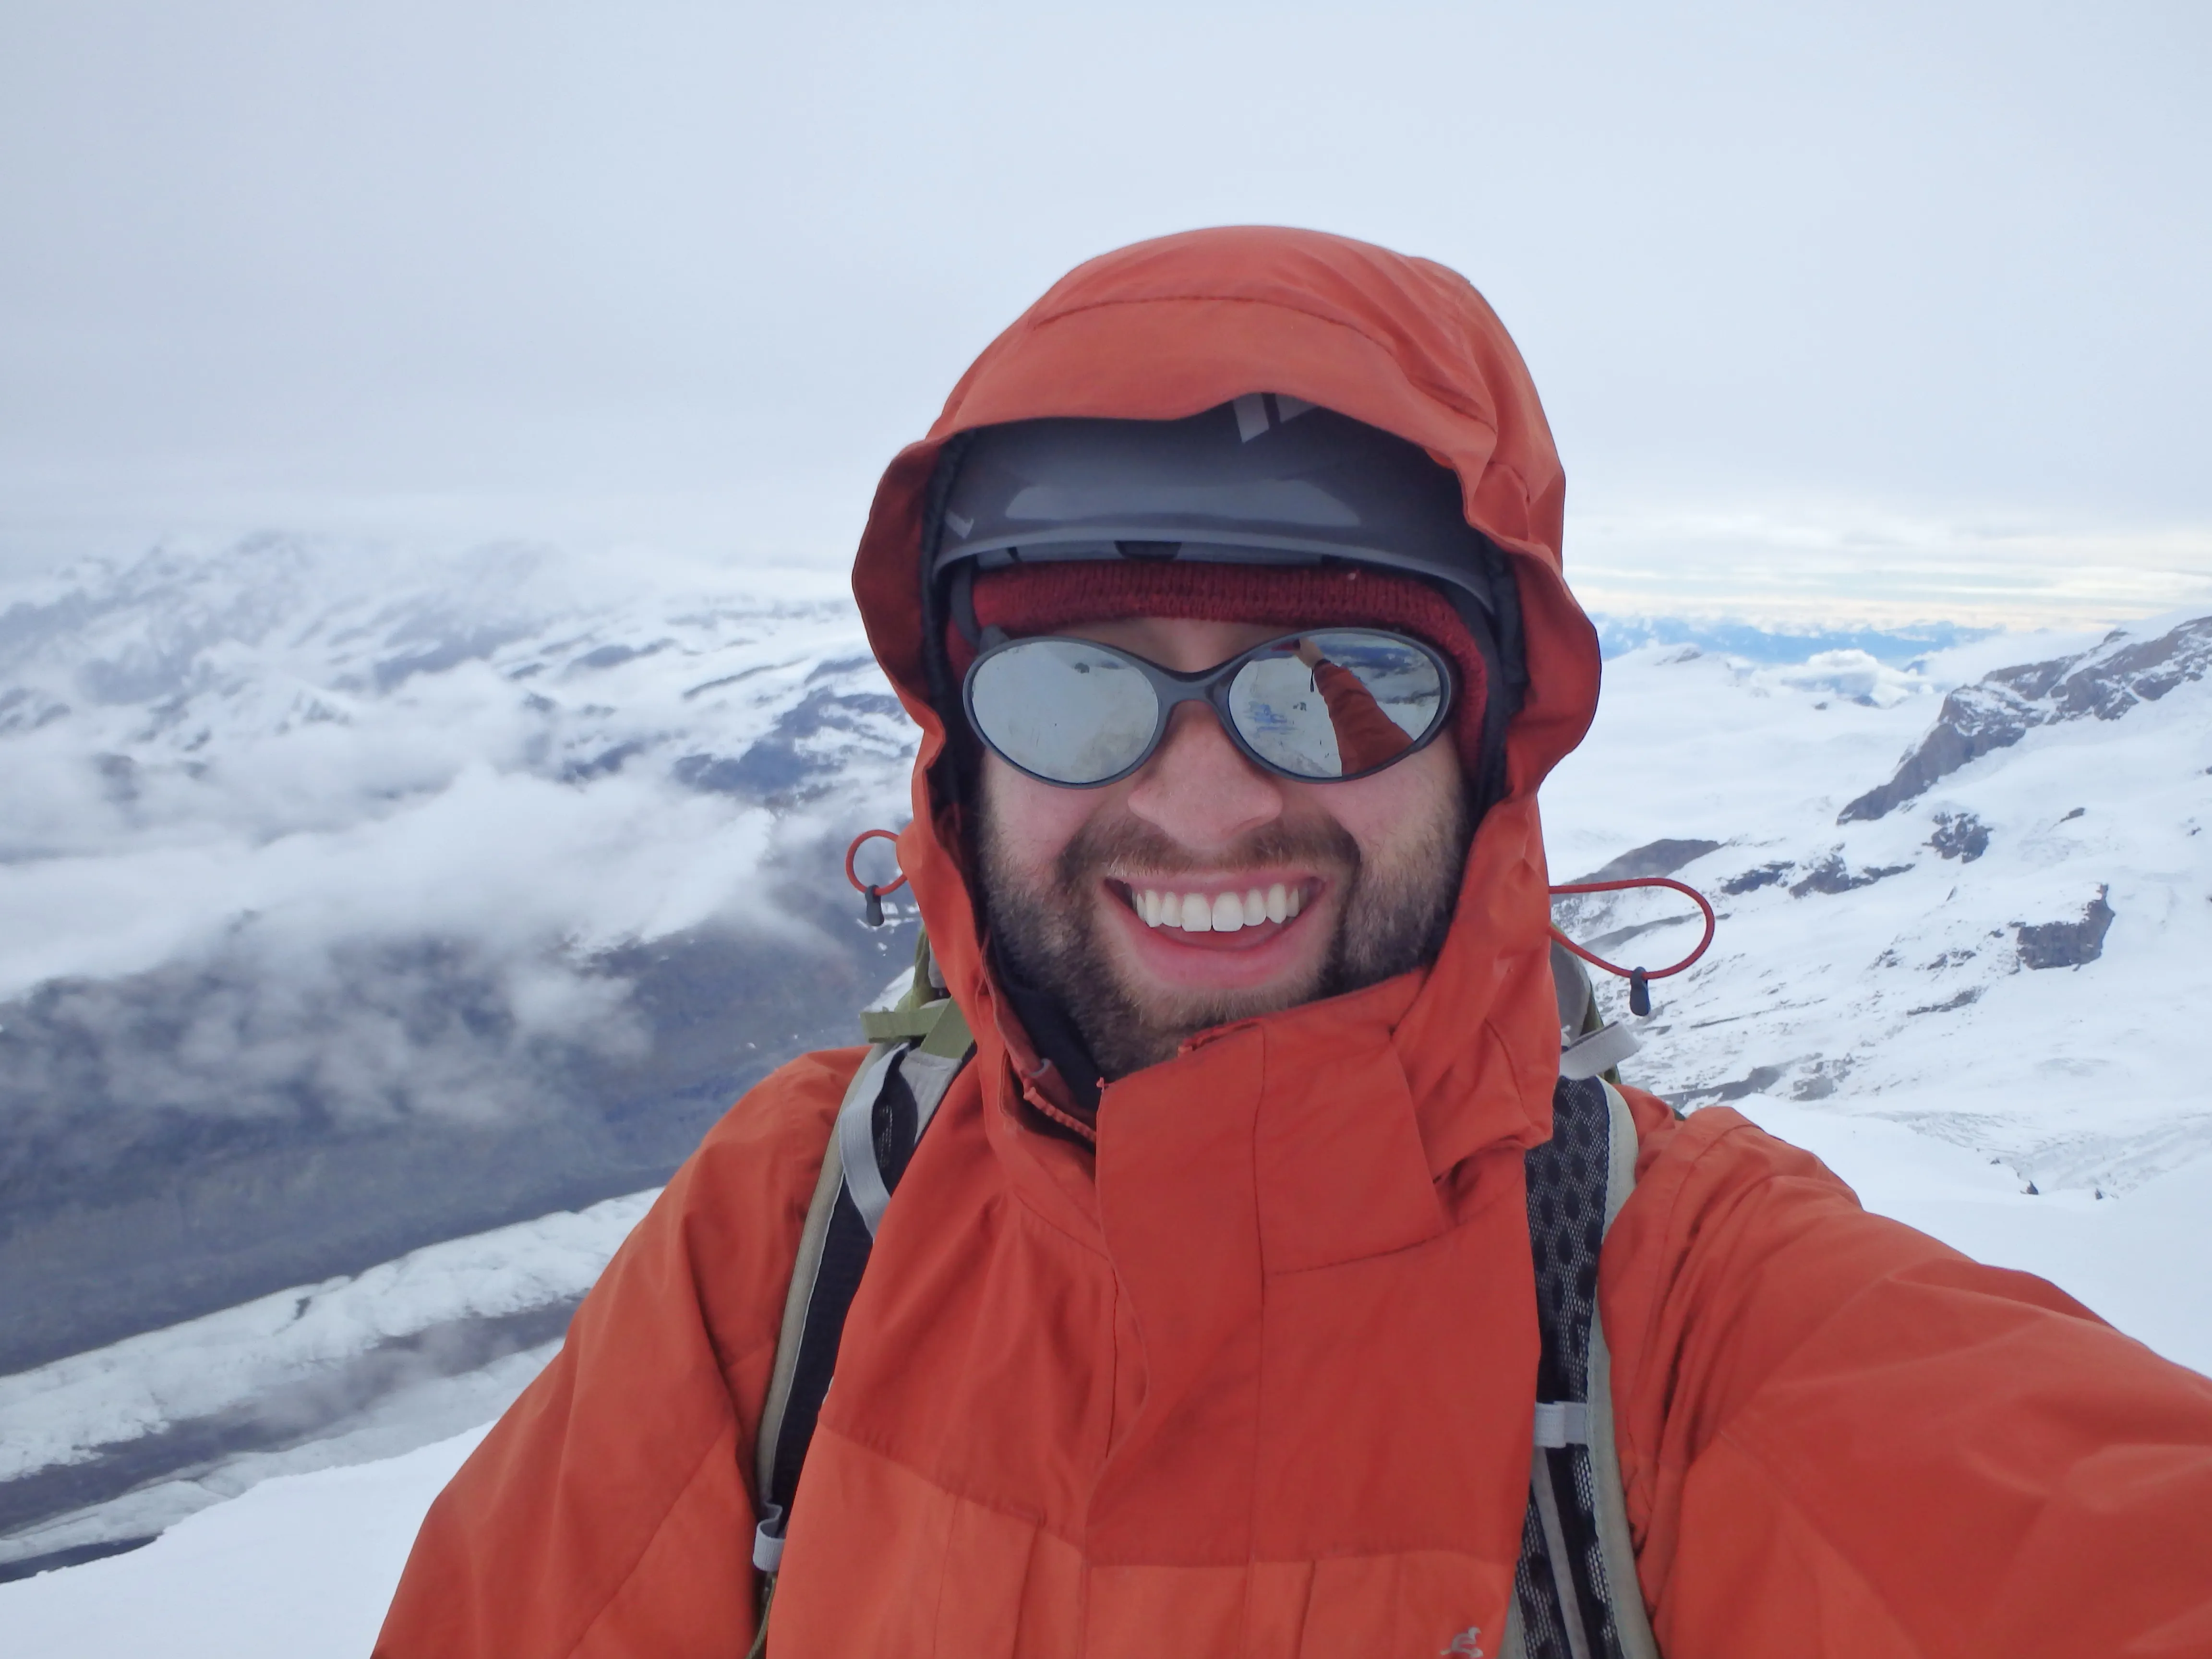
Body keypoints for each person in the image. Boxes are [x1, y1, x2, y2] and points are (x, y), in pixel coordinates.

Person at [374, 227, 2212, 1658]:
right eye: (1074, 685)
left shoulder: (1681, 1321)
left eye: (1340, 690)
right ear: (958, 745)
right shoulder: (790, 1239)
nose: (1198, 805)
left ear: (1487, 750)